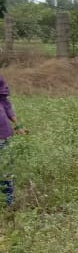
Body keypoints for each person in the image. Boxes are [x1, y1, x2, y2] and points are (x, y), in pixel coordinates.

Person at [0, 72, 27, 206]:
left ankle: (7, 203)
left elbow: (5, 103)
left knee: (5, 169)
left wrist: (18, 125)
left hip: (2, 132)